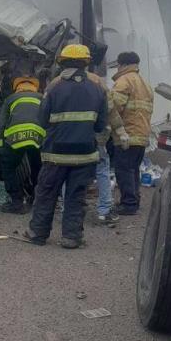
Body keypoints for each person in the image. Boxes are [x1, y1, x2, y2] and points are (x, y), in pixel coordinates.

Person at [24, 44, 108, 249]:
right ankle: (71, 237)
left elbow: (42, 120)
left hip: (56, 154)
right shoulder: (98, 89)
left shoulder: (55, 87)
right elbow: (100, 125)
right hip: (85, 155)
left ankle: (37, 233)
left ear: (61, 62)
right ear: (86, 63)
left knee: (46, 193)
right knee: (76, 196)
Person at [86, 46, 128, 227]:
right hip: (96, 138)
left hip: (67, 138)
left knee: (67, 172)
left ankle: (66, 207)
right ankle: (104, 211)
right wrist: (121, 132)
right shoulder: (98, 82)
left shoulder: (57, 82)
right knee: (102, 169)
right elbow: (111, 110)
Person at [111, 51, 155, 216]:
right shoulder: (145, 83)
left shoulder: (124, 81)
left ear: (122, 65)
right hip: (141, 134)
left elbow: (113, 107)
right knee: (133, 169)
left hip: (126, 135)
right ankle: (133, 201)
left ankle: (128, 204)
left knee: (123, 169)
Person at [0, 76, 44, 214]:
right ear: (35, 87)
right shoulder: (42, 98)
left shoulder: (10, 99)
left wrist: (0, 146)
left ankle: (17, 203)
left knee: (9, 167)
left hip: (15, 139)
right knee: (38, 168)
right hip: (37, 137)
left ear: (17, 87)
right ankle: (36, 200)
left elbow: (0, 126)